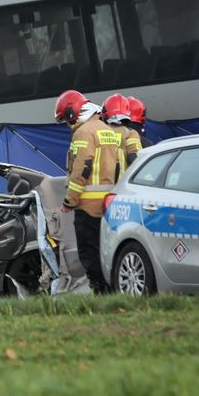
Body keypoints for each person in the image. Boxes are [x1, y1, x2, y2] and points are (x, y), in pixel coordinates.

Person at [55, 90, 119, 294]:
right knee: (106, 250)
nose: (68, 124)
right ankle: (112, 290)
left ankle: (100, 291)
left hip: (87, 205)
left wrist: (69, 201)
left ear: (72, 113)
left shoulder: (83, 133)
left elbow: (82, 169)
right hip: (108, 204)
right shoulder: (107, 130)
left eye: (66, 119)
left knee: (89, 252)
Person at [101, 93, 139, 173]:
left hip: (102, 178)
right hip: (123, 179)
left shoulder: (98, 132)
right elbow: (134, 158)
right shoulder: (130, 133)